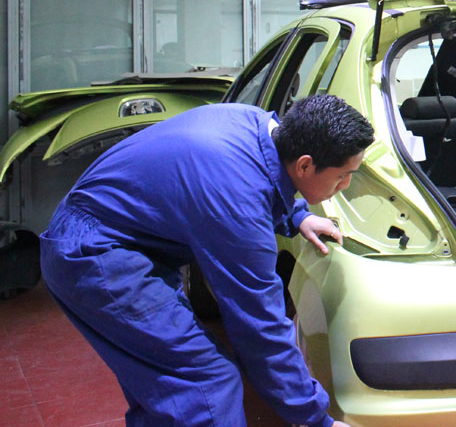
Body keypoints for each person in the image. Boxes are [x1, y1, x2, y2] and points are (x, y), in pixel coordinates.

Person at [39, 94, 374, 427]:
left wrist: (297, 215)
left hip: (116, 231)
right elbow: (261, 330)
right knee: (206, 385)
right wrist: (315, 418)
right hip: (95, 254)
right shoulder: (237, 206)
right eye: (342, 175)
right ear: (304, 165)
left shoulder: (256, 123)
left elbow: (265, 179)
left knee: (167, 390)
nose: (345, 186)